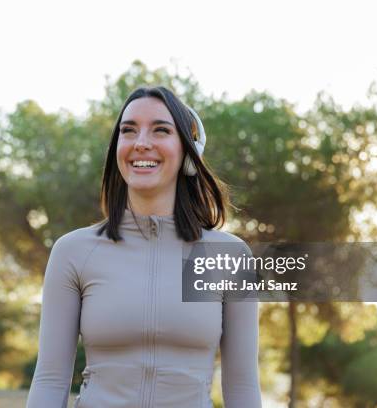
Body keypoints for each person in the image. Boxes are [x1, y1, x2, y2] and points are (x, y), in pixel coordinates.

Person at [26, 86, 262, 408]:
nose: (141, 143)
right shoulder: (74, 252)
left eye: (161, 130)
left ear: (189, 152)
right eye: (129, 131)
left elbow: (243, 387)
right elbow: (50, 380)